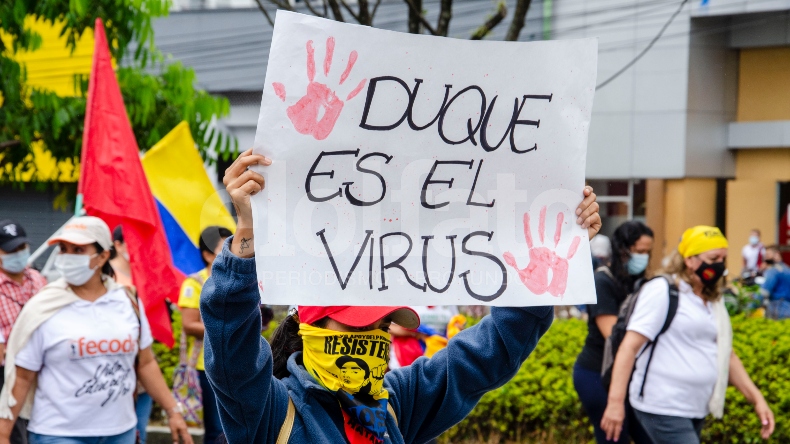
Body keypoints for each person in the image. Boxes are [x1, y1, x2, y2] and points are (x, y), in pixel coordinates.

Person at [199, 149, 601, 443]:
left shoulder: (397, 401)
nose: (375, 337)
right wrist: (249, 233)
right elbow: (230, 343)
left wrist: (548, 269)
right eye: (358, 323)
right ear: (310, 324)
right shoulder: (269, 413)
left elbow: (490, 352)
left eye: (381, 324)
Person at [0, 216, 193, 444]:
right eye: (63, 249)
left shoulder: (127, 300)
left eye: (78, 249)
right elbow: (21, 377)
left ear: (102, 256)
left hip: (120, 432)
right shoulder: (43, 307)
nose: (67, 256)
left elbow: (146, 362)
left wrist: (173, 411)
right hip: (58, 433)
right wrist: (3, 435)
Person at [601, 226, 775, 444]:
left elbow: (726, 355)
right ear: (690, 260)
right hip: (662, 405)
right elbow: (629, 346)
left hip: (695, 407)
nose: (719, 264)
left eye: (723, 258)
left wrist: (757, 400)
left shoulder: (713, 300)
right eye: (713, 258)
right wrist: (615, 403)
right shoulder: (663, 291)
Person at [573, 221, 654, 444]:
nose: (644, 257)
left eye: (648, 252)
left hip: (629, 375)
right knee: (613, 437)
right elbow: (614, 336)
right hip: (597, 373)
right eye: (639, 252)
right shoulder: (602, 281)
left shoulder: (640, 283)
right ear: (622, 250)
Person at [177, 226, 232, 444]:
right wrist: (229, 328)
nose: (231, 252)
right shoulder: (195, 283)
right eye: (224, 248)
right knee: (217, 429)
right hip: (208, 366)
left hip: (236, 363)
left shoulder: (239, 279)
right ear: (208, 254)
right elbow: (189, 325)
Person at [0, 220, 47, 444]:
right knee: (14, 432)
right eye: (11, 251)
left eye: (21, 248)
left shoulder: (37, 279)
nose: (18, 254)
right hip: (7, 371)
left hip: (41, 368)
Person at [109, 226, 153, 443]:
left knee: (139, 433)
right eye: (131, 241)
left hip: (142, 374)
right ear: (117, 245)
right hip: (116, 376)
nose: (137, 247)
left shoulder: (141, 275)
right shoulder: (107, 280)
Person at [760, 245, 790, 319]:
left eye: (768, 255)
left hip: (777, 308)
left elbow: (764, 292)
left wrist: (751, 306)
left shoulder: (773, 271)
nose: (766, 258)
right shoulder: (787, 269)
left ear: (776, 254)